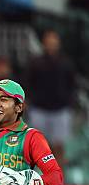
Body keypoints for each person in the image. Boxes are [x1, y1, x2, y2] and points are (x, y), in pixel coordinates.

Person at [24, 30, 76, 162]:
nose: (52, 44)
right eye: (49, 42)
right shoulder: (35, 62)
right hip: (39, 108)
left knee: (59, 145)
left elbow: (72, 84)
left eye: (54, 41)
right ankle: (38, 177)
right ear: (44, 43)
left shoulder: (66, 63)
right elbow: (28, 82)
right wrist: (29, 101)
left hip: (60, 108)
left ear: (58, 43)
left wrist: (69, 102)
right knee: (37, 145)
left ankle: (59, 178)